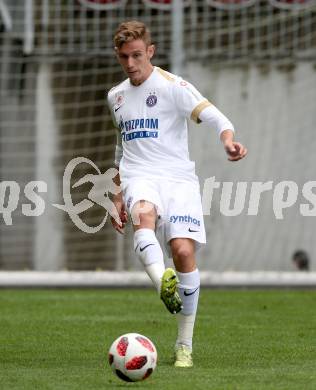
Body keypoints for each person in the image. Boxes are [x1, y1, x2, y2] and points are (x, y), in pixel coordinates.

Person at [107, 20, 247, 368]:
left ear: (150, 52)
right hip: (140, 176)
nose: (131, 63)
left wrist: (228, 140)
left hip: (178, 179)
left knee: (183, 251)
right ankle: (162, 282)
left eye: (137, 55)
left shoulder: (173, 86)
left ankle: (184, 344)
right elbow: (121, 147)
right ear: (118, 56)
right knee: (144, 217)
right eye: (124, 56)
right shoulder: (116, 96)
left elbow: (214, 115)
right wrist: (116, 194)